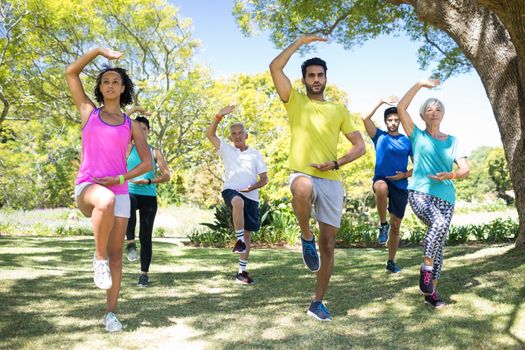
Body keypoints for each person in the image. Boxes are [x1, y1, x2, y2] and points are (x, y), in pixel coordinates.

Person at [269, 35, 366, 321]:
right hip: (303, 172)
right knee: (303, 186)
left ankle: (317, 302)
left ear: (326, 79)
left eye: (320, 75)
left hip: (332, 180)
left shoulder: (338, 110)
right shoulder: (294, 100)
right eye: (310, 75)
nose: (315, 79)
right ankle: (305, 235)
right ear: (303, 80)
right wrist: (300, 42)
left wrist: (336, 162)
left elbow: (359, 146)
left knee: (329, 247)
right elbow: (275, 67)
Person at [65, 48, 152, 332]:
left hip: (120, 191)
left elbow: (147, 163)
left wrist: (120, 178)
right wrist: (99, 51)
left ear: (123, 88)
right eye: (105, 81)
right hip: (89, 187)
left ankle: (111, 313)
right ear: (100, 88)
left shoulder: (131, 126)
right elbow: (71, 73)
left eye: (115, 81)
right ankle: (97, 258)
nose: (110, 85)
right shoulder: (88, 112)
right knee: (104, 201)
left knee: (118, 257)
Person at [397, 79, 469, 308]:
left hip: (446, 197)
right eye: (429, 109)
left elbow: (465, 168)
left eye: (438, 109)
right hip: (420, 192)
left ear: (443, 114)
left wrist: (452, 175)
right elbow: (400, 108)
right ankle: (426, 267)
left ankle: (431, 293)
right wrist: (418, 85)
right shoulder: (417, 136)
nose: (434, 112)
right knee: (437, 224)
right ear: (422, 115)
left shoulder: (453, 141)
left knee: (439, 243)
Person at [206, 105, 268, 285]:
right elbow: (210, 135)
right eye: (233, 133)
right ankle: (238, 239)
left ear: (246, 135)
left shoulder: (255, 154)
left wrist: (253, 187)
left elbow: (264, 179)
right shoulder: (226, 150)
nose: (237, 136)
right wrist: (218, 115)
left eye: (240, 133)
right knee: (237, 202)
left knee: (248, 237)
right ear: (231, 137)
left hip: (252, 196)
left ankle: (241, 272)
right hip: (232, 191)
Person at [362, 97, 413, 273]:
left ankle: (391, 261)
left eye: (396, 120)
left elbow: (419, 166)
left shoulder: (407, 141)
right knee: (381, 188)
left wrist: (405, 174)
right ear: (385, 121)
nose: (393, 123)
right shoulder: (379, 136)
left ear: (400, 120)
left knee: (397, 225)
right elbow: (365, 118)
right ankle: (383, 224)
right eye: (390, 120)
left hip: (401, 185)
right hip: (382, 180)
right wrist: (381, 101)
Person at [124, 107, 171, 288]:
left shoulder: (155, 152)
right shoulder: (128, 148)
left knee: (146, 236)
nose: (141, 132)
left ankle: (144, 274)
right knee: (128, 200)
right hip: (130, 191)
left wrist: (150, 180)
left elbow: (167, 175)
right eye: (138, 129)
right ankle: (130, 243)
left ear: (148, 131)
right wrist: (134, 109)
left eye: (144, 129)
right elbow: (120, 121)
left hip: (148, 195)